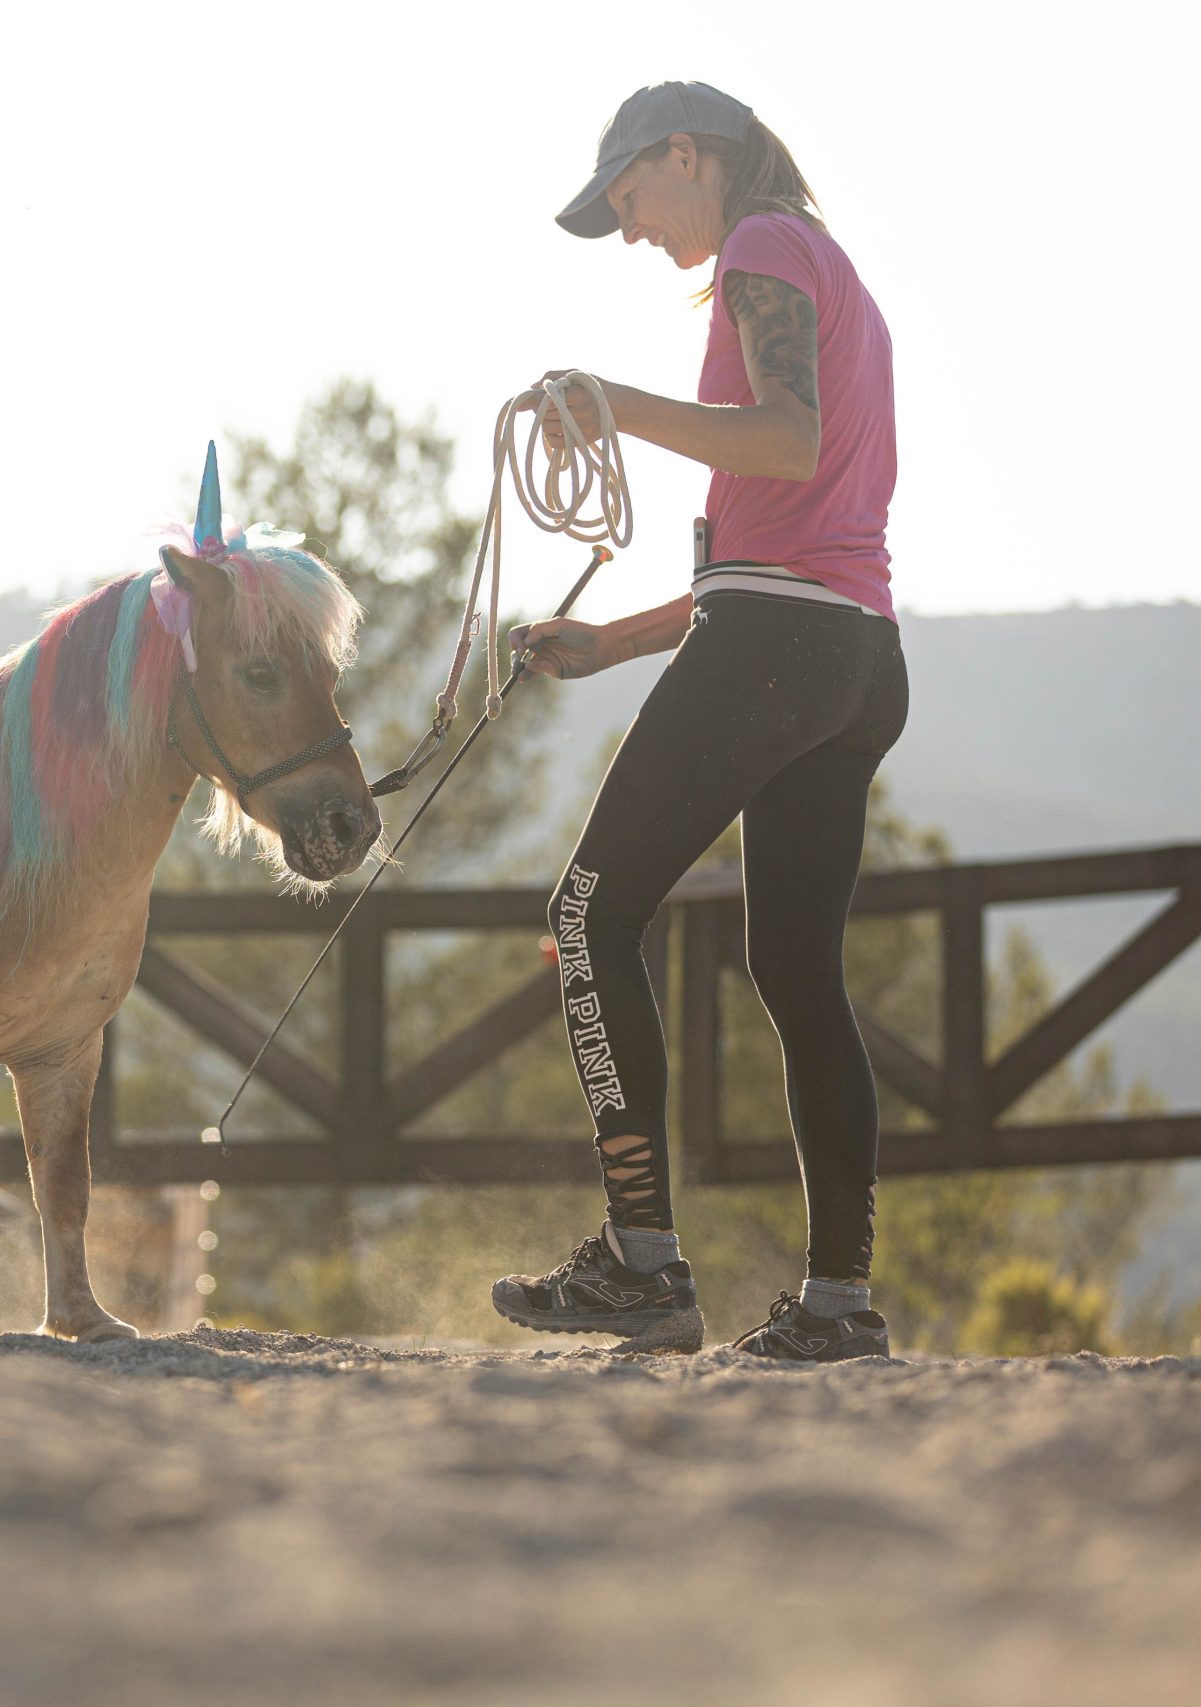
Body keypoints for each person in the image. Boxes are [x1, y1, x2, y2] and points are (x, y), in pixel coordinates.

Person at [488, 82, 906, 1360]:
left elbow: (783, 442)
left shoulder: (763, 249)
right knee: (795, 973)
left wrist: (610, 403)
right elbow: (793, 548)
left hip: (776, 646)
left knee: (585, 914)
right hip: (852, 654)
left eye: (628, 196)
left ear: (686, 155)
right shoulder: (825, 265)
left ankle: (640, 1263)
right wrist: (612, 642)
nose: (626, 230)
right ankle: (838, 1302)